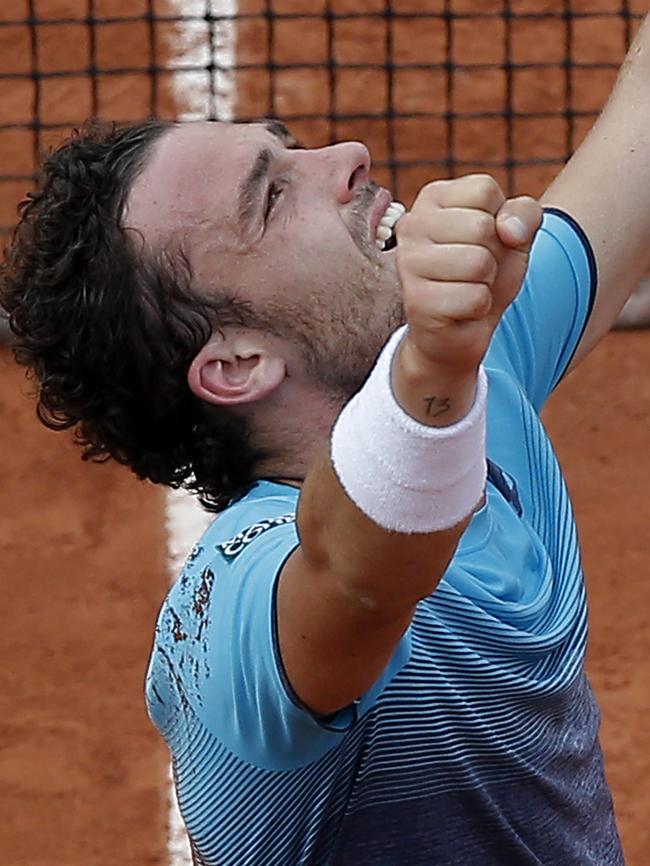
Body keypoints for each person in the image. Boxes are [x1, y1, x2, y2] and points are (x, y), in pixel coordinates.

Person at [3, 12, 650, 865]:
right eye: (272, 196)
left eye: (290, 145)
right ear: (236, 364)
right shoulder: (234, 611)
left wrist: (442, 362)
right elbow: (361, 576)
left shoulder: (473, 371)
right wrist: (434, 364)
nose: (347, 155)